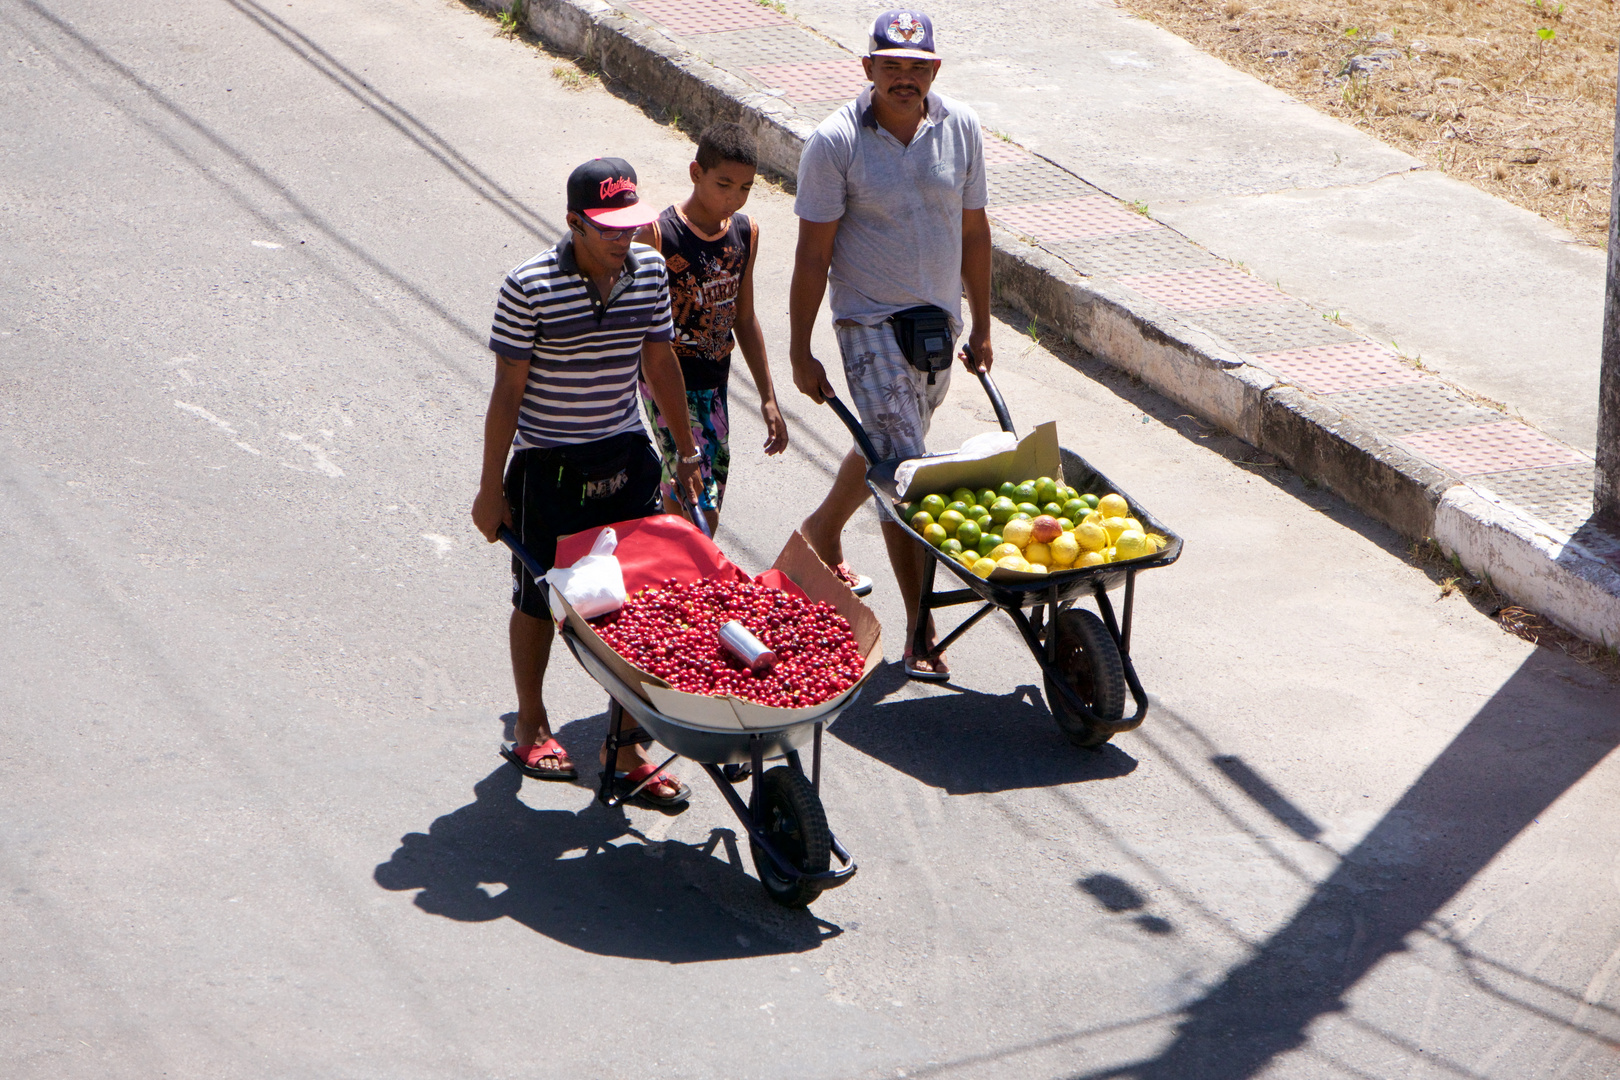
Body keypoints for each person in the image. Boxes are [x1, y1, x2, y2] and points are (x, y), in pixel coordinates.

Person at [471, 157, 702, 807]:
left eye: (629, 224)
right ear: (573, 222)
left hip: (627, 455)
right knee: (538, 598)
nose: (621, 237)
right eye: (606, 227)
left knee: (633, 604)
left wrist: (685, 450)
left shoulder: (650, 270)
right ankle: (530, 724)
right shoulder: (529, 287)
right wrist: (491, 491)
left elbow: (659, 359)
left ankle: (624, 747)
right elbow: (507, 392)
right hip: (549, 465)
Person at [788, 9, 994, 680]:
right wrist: (800, 348)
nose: (903, 78)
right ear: (867, 68)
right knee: (906, 471)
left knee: (887, 447)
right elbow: (812, 254)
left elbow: (974, 232)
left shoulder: (959, 127)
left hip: (939, 326)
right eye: (891, 66)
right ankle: (920, 628)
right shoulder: (835, 142)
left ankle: (820, 532)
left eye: (917, 67)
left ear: (934, 69)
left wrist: (983, 324)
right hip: (868, 324)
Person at [634, 122, 789, 536]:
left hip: (714, 383)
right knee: (700, 504)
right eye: (724, 184)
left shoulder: (744, 233)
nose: (733, 198)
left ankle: (671, 564)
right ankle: (686, 575)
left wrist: (768, 398)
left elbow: (745, 317)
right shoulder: (657, 236)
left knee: (698, 487)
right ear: (695, 173)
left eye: (745, 188)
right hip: (665, 381)